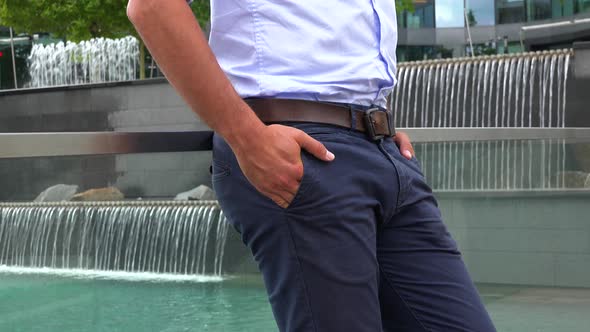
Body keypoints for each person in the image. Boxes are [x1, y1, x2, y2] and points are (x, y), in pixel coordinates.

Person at [127, 0, 497, 331]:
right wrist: (246, 136)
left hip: (383, 150)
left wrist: (376, 122)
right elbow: (152, 6)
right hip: (301, 149)